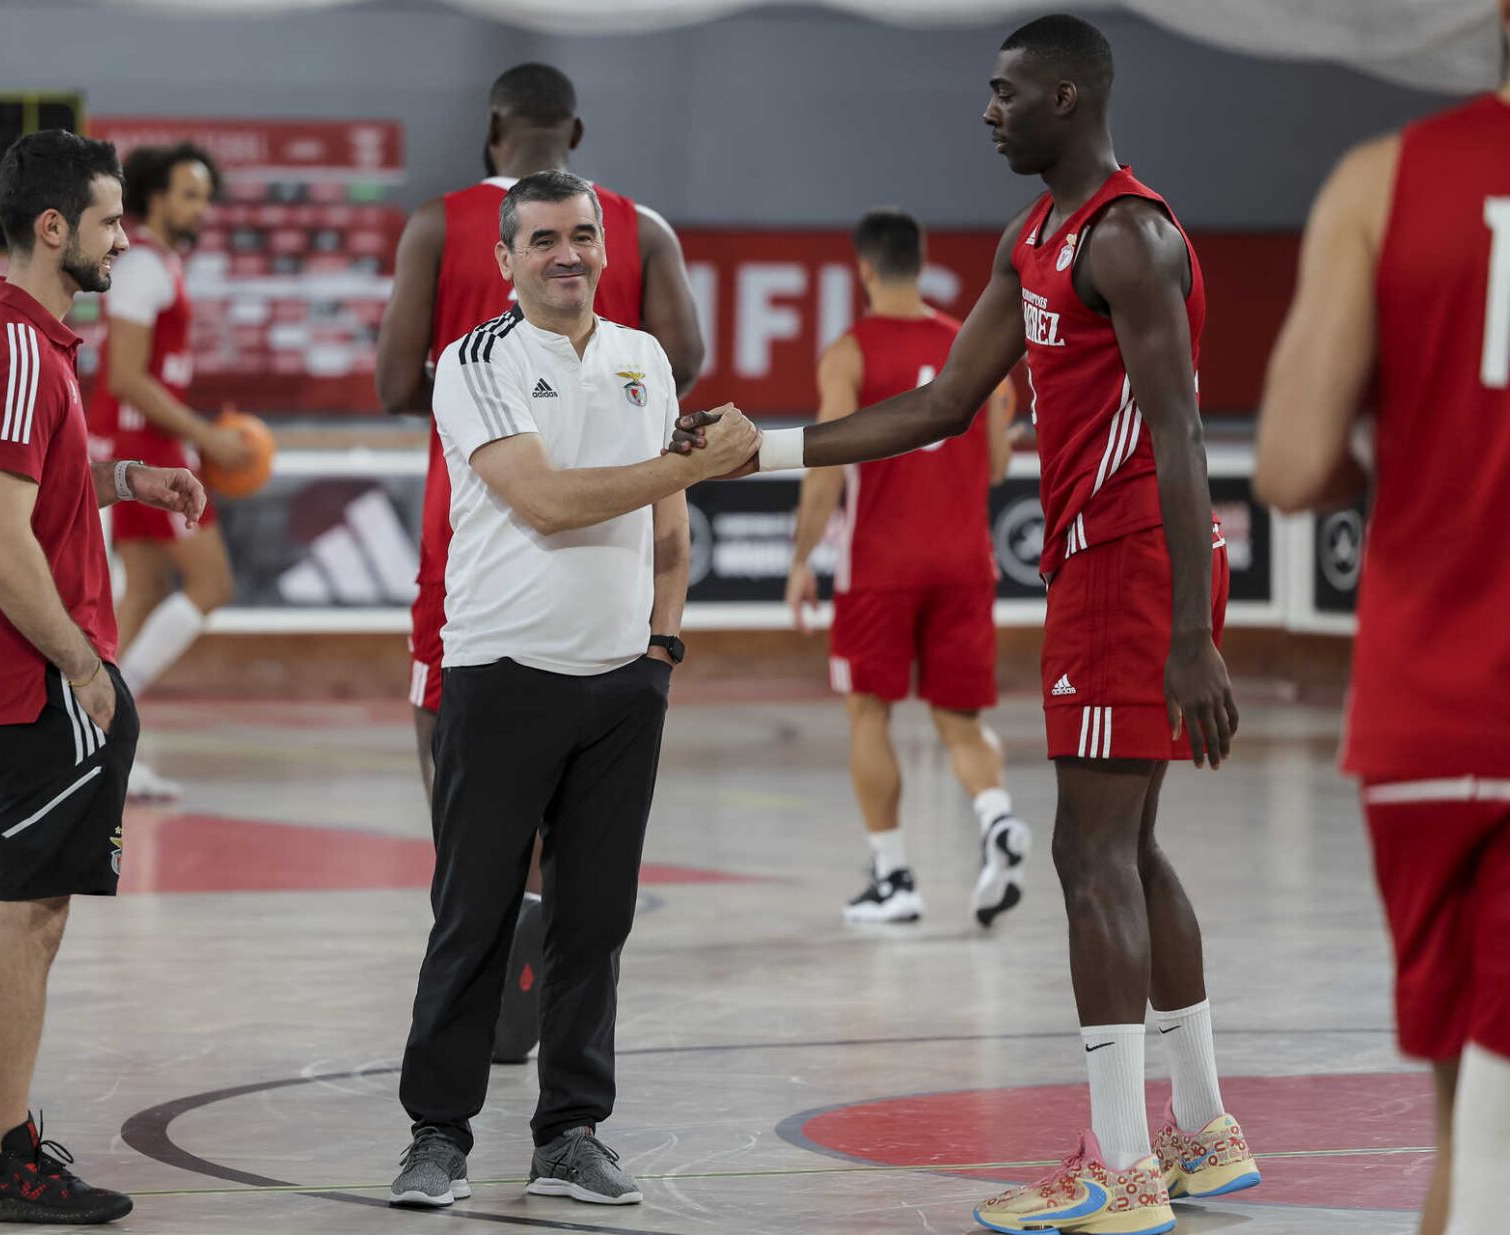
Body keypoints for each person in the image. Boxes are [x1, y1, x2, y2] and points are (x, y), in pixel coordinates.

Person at [674, 16, 1259, 1233]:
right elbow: (944, 404)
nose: (985, 112)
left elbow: (1184, 431)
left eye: (1002, 93)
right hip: (1113, 564)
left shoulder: (1131, 239)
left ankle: (1118, 1169)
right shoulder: (1030, 237)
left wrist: (1194, 630)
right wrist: (763, 447)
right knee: (1131, 849)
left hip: (1133, 565)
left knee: (1086, 856)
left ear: (1065, 95)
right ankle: (1202, 1134)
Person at [387, 171, 757, 1211]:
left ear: (605, 249)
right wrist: (692, 466)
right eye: (542, 238)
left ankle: (570, 1132)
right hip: (501, 674)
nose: (567, 253)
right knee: (474, 914)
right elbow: (545, 501)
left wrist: (661, 649)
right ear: (503, 259)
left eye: (582, 236)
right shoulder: (473, 362)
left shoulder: (645, 359)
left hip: (620, 688)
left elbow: (670, 528)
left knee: (595, 920)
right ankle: (437, 1135)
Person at [0, 130, 206, 1225]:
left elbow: (31, 480)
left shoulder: (12, 341)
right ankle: (2, 1158)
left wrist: (128, 477)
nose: (125, 237)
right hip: (38, 678)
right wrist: (82, 663)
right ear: (53, 228)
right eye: (113, 220)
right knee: (29, 919)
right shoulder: (19, 350)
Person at [375, 62, 704, 1063]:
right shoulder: (639, 226)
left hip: (474, 532)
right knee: (592, 821)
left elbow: (396, 380)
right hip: (609, 539)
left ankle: (487, 969)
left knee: (466, 775)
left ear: (492, 130)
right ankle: (545, 982)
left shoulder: (438, 223)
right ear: (577, 128)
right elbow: (679, 359)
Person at [1252, 6, 1510, 1229]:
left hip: (1426, 717)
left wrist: (1400, 459)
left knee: (1472, 1130)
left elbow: (1296, 464)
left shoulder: (1379, 180)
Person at [785, 207, 1030, 927]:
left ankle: (893, 878)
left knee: (869, 713)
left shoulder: (849, 353)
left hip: (880, 565)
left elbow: (824, 471)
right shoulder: (969, 346)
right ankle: (996, 820)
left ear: (863, 268)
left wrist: (802, 559)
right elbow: (991, 467)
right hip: (963, 562)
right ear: (921, 264)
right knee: (961, 719)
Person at [87, 141, 241, 801]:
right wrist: (204, 434)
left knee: (144, 589)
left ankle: (98, 736)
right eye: (188, 193)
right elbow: (124, 376)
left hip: (140, 444)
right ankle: (105, 725)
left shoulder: (157, 265)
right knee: (211, 581)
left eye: (205, 194)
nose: (199, 206)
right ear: (155, 197)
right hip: (145, 449)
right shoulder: (144, 267)